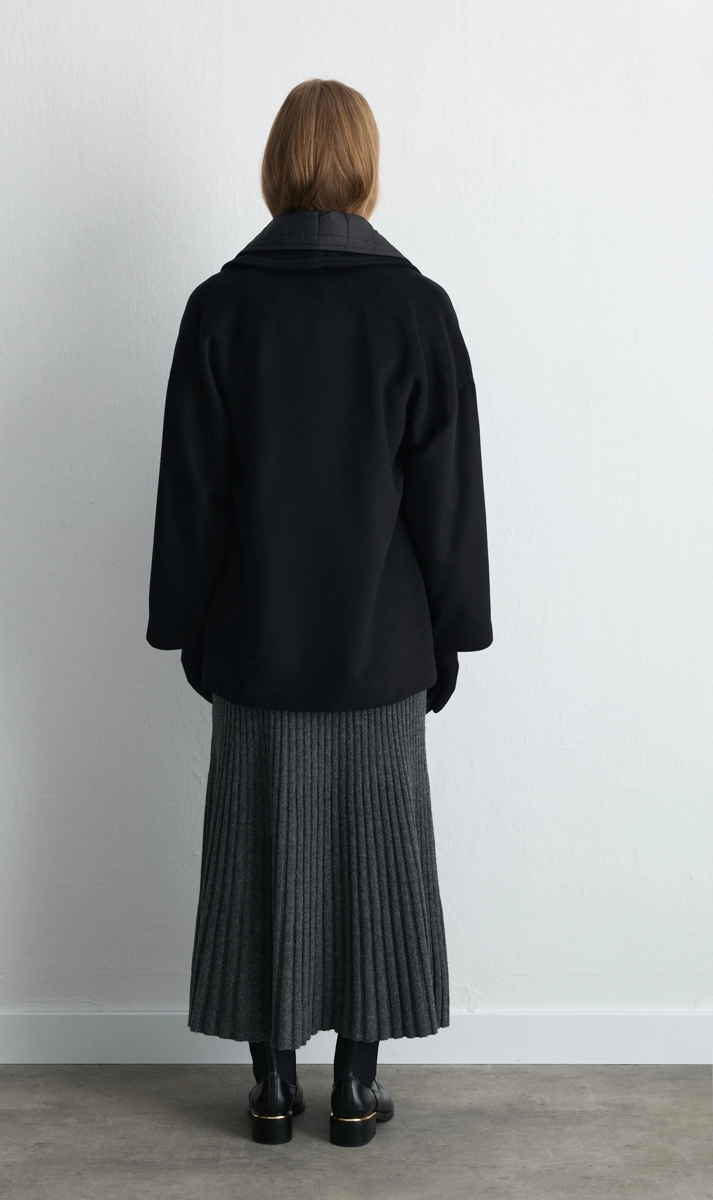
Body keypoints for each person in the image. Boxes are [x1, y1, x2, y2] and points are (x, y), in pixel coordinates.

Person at [146, 78, 493, 1148]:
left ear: (275, 168)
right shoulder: (416, 309)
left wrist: (187, 629)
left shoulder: (220, 308)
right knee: (373, 871)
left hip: (255, 647)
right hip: (380, 652)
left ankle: (267, 1089)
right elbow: (447, 500)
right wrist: (451, 634)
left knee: (262, 862)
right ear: (366, 171)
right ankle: (352, 1089)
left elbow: (191, 492)